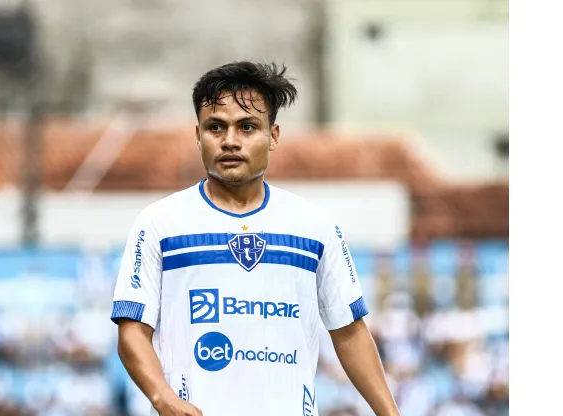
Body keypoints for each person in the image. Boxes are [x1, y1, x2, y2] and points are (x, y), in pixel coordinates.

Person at [110, 61, 399, 416]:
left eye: (247, 127)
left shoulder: (313, 226)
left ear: (273, 136)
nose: (230, 140)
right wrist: (161, 396)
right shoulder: (159, 223)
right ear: (197, 134)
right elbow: (132, 331)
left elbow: (349, 332)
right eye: (216, 127)